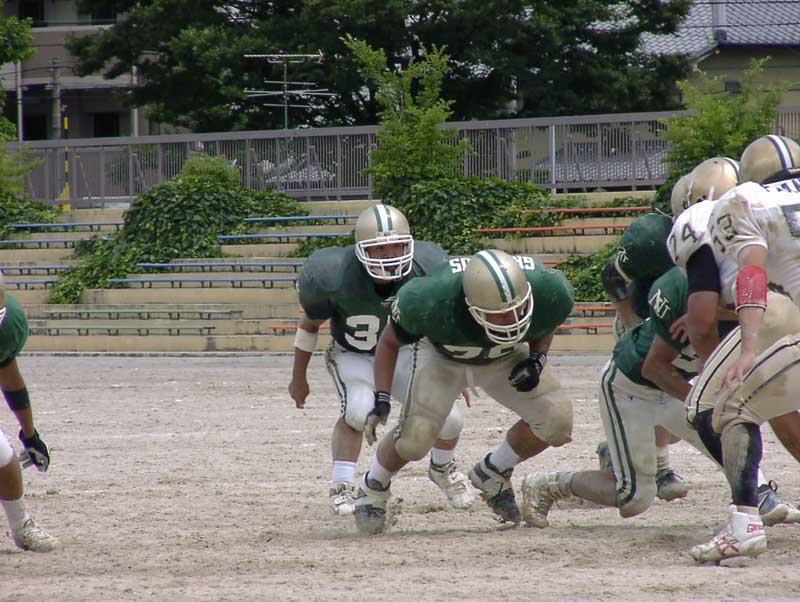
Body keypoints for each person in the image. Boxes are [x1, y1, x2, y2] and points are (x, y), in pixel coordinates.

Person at [353, 249, 574, 534]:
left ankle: (494, 471)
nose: (512, 320)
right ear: (470, 305)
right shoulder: (430, 298)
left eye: (517, 310)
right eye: (499, 315)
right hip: (443, 357)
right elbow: (389, 342)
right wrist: (382, 397)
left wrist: (537, 359)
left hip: (505, 355)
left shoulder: (548, 288)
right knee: (415, 439)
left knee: (557, 422)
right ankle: (373, 486)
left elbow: (546, 319)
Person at [288, 204, 473, 517]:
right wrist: (298, 377)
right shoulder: (335, 275)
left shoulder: (426, 267)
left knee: (450, 417)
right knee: (358, 411)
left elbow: (440, 322)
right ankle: (342, 485)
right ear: (360, 250)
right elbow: (309, 326)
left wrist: (454, 366)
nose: (390, 256)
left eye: (396, 246)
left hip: (405, 352)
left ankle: (442, 468)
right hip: (354, 354)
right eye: (379, 248)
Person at [521, 266, 736, 528]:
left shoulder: (747, 300)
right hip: (630, 384)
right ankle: (550, 483)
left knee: (733, 441)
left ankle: (757, 500)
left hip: (676, 380)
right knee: (635, 498)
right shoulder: (677, 283)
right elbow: (654, 367)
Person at [669, 154, 800, 529]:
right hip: (786, 304)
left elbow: (703, 319)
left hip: (773, 309)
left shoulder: (711, 214)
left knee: (708, 405)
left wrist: (723, 361)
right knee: (776, 405)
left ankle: (750, 508)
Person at [599, 211, 688, 500]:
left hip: (680, 320)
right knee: (659, 389)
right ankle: (661, 469)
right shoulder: (655, 236)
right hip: (645, 320)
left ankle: (616, 448)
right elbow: (611, 274)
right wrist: (630, 323)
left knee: (676, 424)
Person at [0, 273, 60, 552]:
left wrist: (30, 434)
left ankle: (21, 525)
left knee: (2, 455)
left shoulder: (7, 323)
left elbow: (8, 373)